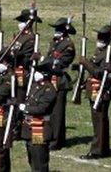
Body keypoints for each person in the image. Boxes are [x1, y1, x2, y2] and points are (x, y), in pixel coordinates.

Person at [80, 24, 111, 159]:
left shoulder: (109, 55)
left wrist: (85, 63)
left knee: (99, 121)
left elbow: (99, 73)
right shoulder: (100, 52)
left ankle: (98, 150)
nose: (99, 40)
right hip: (94, 89)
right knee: (98, 120)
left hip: (101, 91)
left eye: (102, 38)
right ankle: (103, 148)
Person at [20, 57, 58, 172]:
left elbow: (42, 108)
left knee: (40, 160)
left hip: (40, 128)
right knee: (31, 159)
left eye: (38, 72)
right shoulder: (35, 86)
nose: (35, 74)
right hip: (30, 127)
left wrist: (25, 108)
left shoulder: (49, 90)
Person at [44, 17, 76, 150]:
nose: (56, 31)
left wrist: (46, 63)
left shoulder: (68, 45)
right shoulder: (55, 42)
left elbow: (62, 62)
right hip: (51, 76)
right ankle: (57, 138)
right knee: (52, 110)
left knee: (57, 112)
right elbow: (49, 57)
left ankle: (56, 141)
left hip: (59, 79)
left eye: (58, 29)